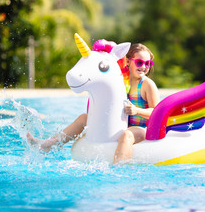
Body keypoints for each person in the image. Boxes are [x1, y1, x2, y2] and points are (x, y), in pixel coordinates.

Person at [27, 42, 160, 164]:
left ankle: (120, 167)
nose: (144, 67)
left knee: (127, 135)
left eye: (148, 63)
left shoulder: (147, 84)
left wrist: (137, 111)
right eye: (139, 62)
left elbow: (157, 112)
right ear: (127, 62)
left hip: (141, 129)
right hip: (121, 124)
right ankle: (47, 144)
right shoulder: (121, 79)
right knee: (84, 118)